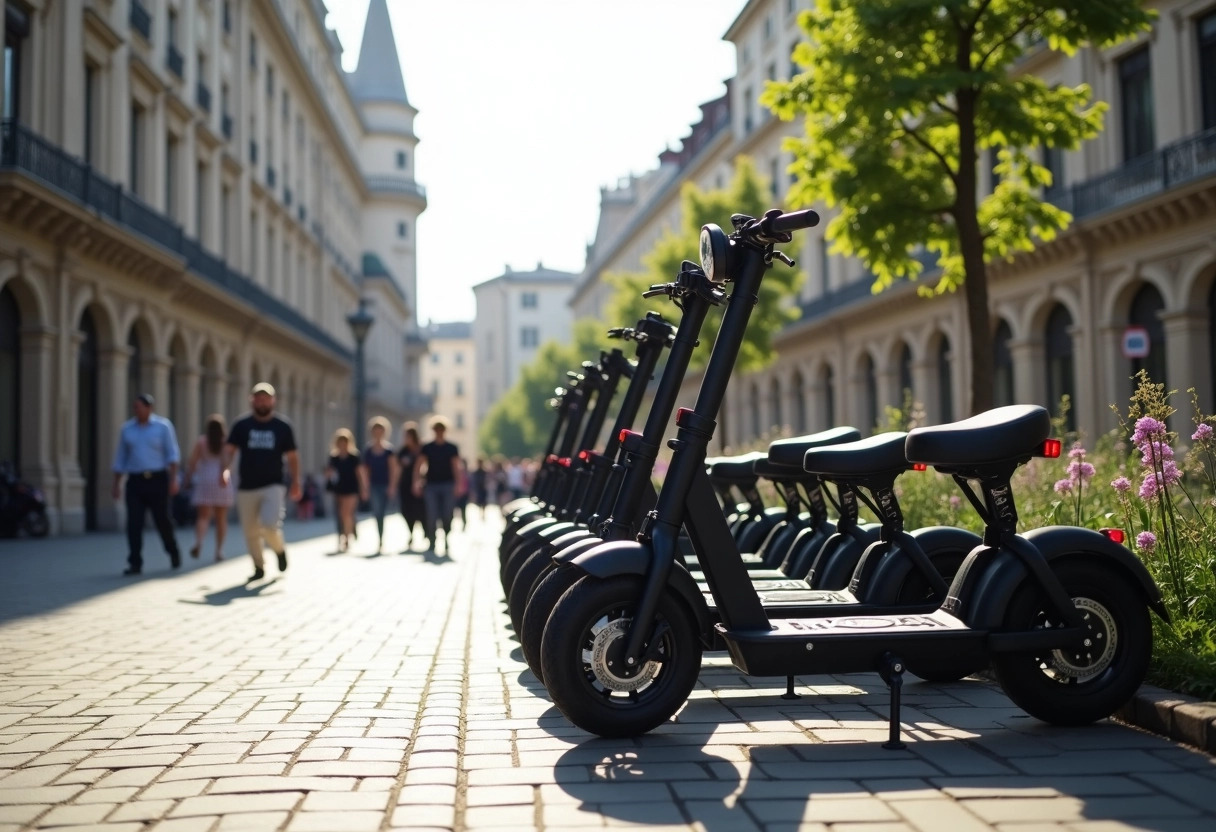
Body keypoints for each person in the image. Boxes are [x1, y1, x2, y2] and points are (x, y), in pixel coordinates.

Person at [222, 382, 301, 583]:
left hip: (273, 484)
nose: (262, 401)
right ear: (252, 400)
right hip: (246, 485)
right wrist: (224, 470)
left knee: (269, 525)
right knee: (250, 531)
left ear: (273, 401)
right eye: (258, 398)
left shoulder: (283, 427)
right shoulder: (241, 425)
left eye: (266, 398)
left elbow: (292, 457)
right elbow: (229, 451)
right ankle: (258, 566)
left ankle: (279, 549)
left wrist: (296, 482)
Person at [112, 393, 182, 575]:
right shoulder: (127, 429)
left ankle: (173, 551)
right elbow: (121, 458)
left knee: (162, 520)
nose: (136, 410)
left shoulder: (163, 427)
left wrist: (174, 480)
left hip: (158, 480)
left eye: (139, 407)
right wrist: (116, 484)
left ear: (149, 408)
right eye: (134, 407)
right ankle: (135, 562)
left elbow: (172, 455)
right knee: (134, 523)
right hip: (135, 481)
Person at [185, 414, 234, 561]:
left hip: (205, 478)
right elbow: (226, 464)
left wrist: (187, 479)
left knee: (203, 517)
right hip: (220, 479)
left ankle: (199, 542)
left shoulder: (201, 441)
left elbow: (193, 462)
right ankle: (219, 551)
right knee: (221, 519)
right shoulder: (225, 443)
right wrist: (224, 475)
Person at [412, 417, 463, 555]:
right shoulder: (427, 447)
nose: (439, 432)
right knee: (432, 514)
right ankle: (432, 541)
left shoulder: (451, 448)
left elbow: (456, 467)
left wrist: (459, 484)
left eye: (441, 429)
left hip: (448, 484)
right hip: (431, 485)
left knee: (447, 514)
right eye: (437, 429)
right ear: (433, 431)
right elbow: (419, 465)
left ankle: (446, 538)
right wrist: (416, 482)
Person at [362, 417, 399, 554]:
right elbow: (365, 471)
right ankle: (379, 537)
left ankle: (381, 537)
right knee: (376, 512)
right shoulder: (368, 450)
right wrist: (365, 487)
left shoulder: (389, 450)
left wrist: (392, 486)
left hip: (385, 485)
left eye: (380, 431)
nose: (378, 433)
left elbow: (393, 470)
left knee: (382, 512)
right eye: (375, 430)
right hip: (373, 485)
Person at [326, 428, 366, 553]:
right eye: (340, 442)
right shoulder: (334, 457)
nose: (342, 445)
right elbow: (330, 472)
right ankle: (344, 533)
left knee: (346, 513)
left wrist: (364, 488)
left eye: (345, 442)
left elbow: (360, 473)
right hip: (339, 488)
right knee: (341, 514)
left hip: (352, 488)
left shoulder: (354, 457)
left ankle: (347, 538)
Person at [396, 422, 427, 551]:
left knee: (420, 510)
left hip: (420, 484)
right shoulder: (402, 451)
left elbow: (426, 465)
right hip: (405, 485)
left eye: (408, 436)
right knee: (406, 510)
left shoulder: (422, 449)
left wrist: (421, 480)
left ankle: (425, 531)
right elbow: (397, 468)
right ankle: (411, 532)